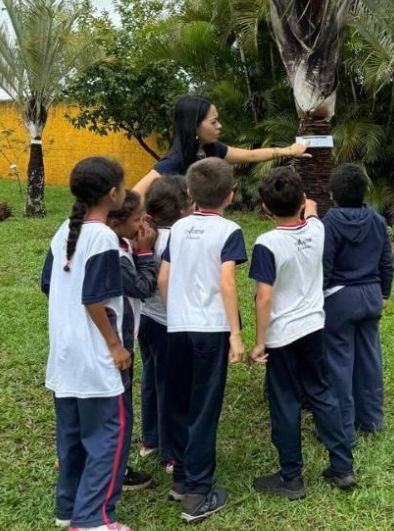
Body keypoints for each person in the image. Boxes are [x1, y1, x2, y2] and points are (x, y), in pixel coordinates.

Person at [248, 166, 355, 501]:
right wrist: (307, 206)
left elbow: (263, 296)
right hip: (313, 327)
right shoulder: (317, 230)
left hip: (281, 336)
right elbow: (311, 214)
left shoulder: (266, 243)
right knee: (322, 394)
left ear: (264, 209)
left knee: (285, 404)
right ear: (303, 200)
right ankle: (342, 467)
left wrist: (259, 343)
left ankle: (291, 477)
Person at [40, 156, 133, 531]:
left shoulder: (63, 230)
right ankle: (94, 518)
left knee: (73, 436)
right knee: (108, 437)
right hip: (95, 356)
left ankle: (68, 509)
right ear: (113, 193)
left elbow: (50, 285)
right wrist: (115, 345)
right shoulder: (103, 237)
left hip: (64, 355)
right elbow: (94, 298)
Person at [157, 158, 247, 523]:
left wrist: (176, 311)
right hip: (211, 331)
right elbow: (227, 282)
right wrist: (236, 335)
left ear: (190, 193)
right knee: (204, 409)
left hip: (176, 328)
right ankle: (196, 495)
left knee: (178, 403)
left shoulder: (177, 230)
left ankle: (180, 478)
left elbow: (163, 279)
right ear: (230, 196)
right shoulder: (230, 231)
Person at [322, 164, 394, 447]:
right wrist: (384, 293)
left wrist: (320, 296)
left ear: (331, 194)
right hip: (371, 295)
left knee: (339, 362)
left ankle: (342, 428)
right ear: (365, 191)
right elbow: (387, 260)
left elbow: (325, 265)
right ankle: (372, 418)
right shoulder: (377, 220)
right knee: (369, 357)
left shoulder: (330, 223)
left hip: (340, 298)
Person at [133, 95, 309, 197]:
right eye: (213, 122)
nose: (219, 126)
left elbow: (251, 156)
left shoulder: (212, 149)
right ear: (194, 126)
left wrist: (289, 151)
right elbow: (136, 194)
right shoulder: (174, 162)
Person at [137, 176, 193, 470]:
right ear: (184, 208)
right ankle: (171, 451)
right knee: (170, 386)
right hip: (168, 322)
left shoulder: (145, 233)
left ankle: (150, 438)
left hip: (145, 318)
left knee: (152, 377)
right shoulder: (178, 239)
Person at [107, 189, 159, 491]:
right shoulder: (115, 253)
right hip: (117, 342)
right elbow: (142, 288)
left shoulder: (111, 241)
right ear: (116, 220)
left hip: (115, 338)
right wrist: (144, 252)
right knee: (119, 411)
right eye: (138, 219)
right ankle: (116, 473)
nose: (142, 225)